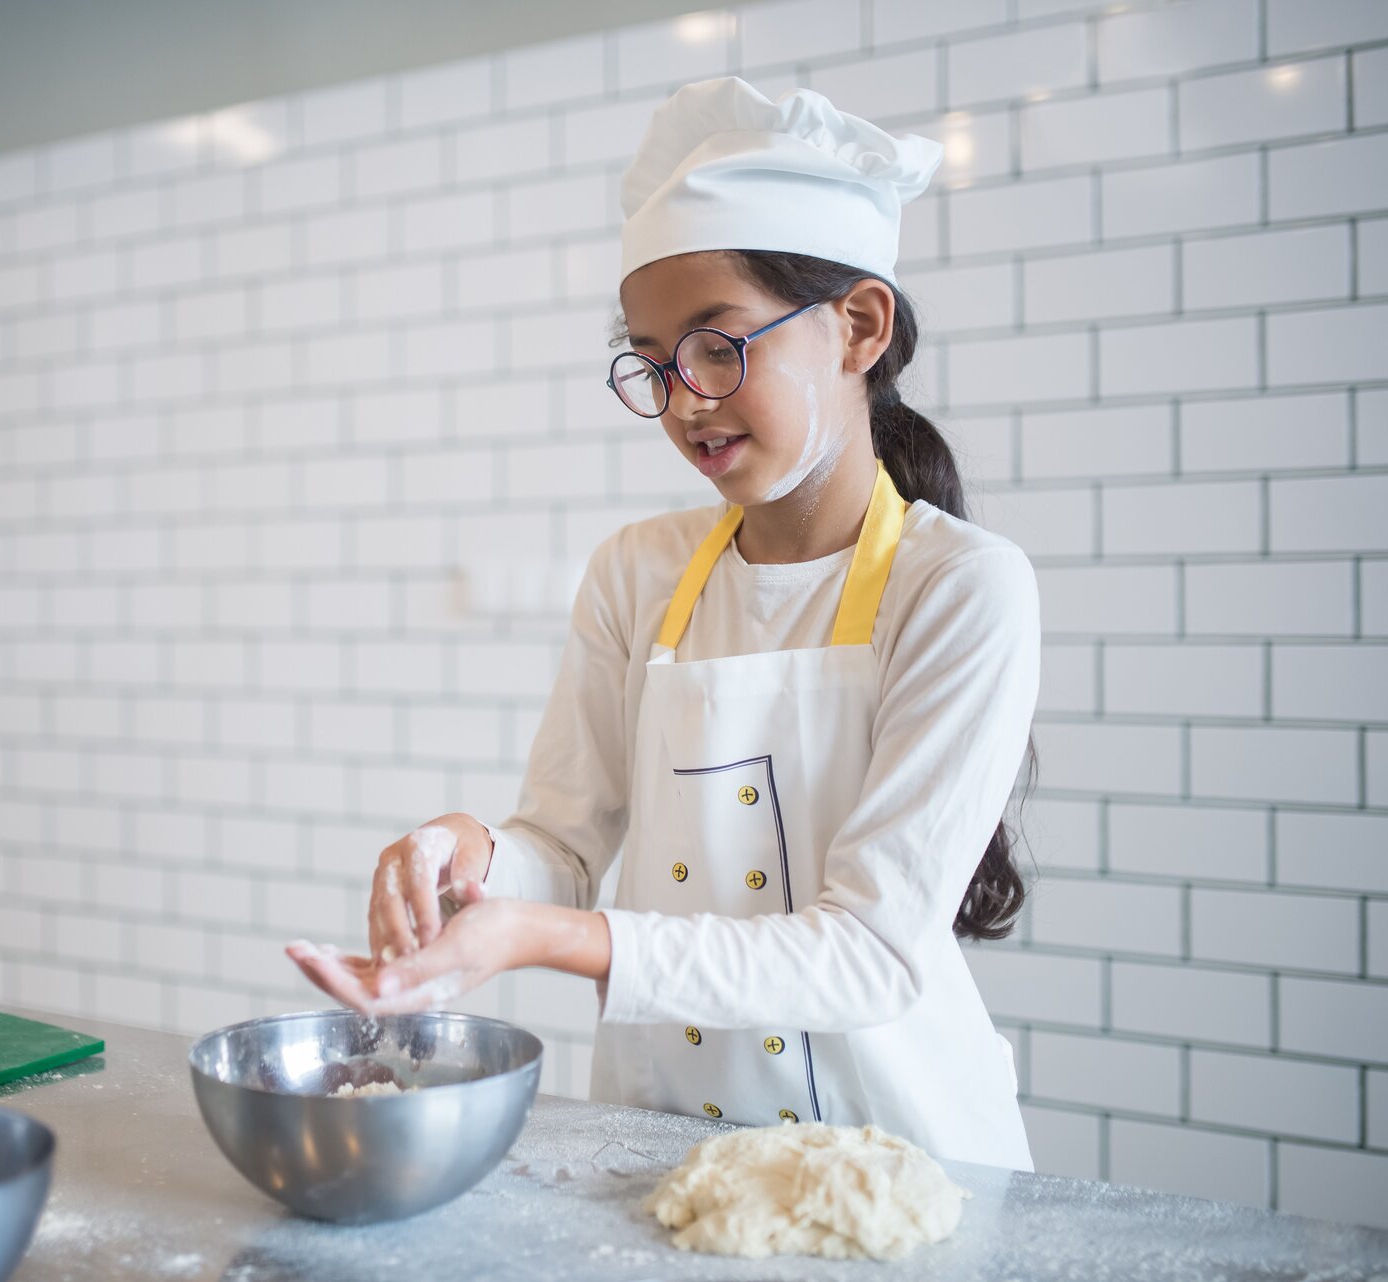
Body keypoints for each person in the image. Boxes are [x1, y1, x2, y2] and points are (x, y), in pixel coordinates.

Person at [287, 77, 1038, 1171]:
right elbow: (564, 847)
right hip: (661, 1153)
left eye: (718, 345)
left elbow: (868, 952)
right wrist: (472, 860)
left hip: (899, 1169)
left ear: (858, 326)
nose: (684, 400)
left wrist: (547, 938)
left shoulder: (963, 589)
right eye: (651, 360)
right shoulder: (638, 573)